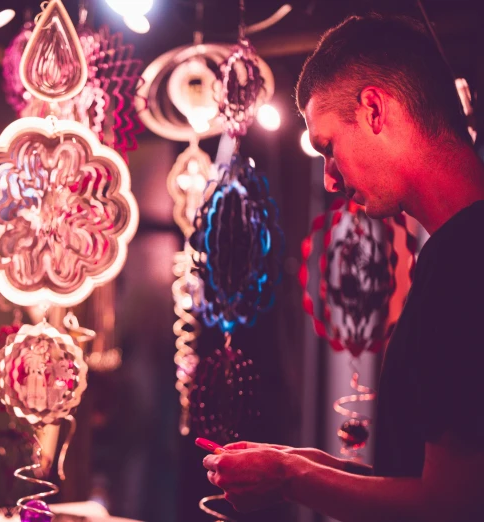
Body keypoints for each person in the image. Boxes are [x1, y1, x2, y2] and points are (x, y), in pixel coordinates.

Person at [203, 14, 484, 522]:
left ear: (375, 109)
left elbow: (454, 507)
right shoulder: (454, 253)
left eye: (328, 147)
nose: (330, 180)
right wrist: (296, 465)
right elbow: (427, 482)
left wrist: (291, 478)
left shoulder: (465, 263)